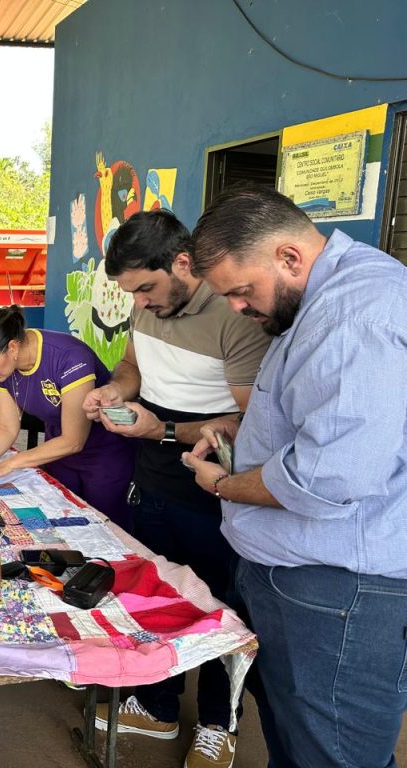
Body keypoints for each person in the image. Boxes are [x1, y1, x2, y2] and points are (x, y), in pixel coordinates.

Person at [182, 187, 407, 768]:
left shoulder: (354, 316)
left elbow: (327, 477)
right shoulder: (323, 301)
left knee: (331, 752)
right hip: (306, 576)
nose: (237, 308)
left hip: (338, 590)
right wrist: (243, 437)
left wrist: (222, 484)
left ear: (288, 257)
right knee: (299, 737)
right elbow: (320, 425)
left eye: (241, 291)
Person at [82, 210, 270, 768]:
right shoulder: (146, 307)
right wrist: (114, 392)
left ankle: (218, 724)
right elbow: (131, 367)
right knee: (157, 596)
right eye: (131, 293)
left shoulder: (236, 316)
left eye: (146, 288)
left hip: (214, 487)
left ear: (182, 263)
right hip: (152, 477)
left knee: (220, 610)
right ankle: (159, 705)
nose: (139, 302)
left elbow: (251, 424)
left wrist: (161, 429)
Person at [0, 305, 135, 530]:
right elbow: (6, 428)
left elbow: (73, 440)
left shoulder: (68, 357)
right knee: (61, 520)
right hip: (55, 451)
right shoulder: (2, 370)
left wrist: (11, 463)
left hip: (104, 453)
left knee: (108, 528)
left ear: (12, 347)